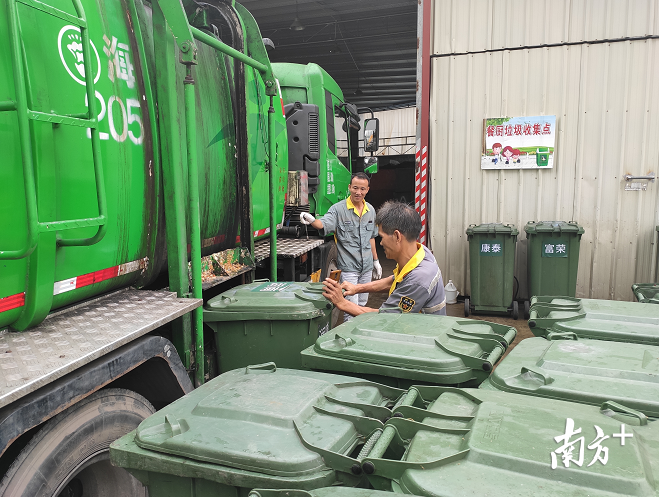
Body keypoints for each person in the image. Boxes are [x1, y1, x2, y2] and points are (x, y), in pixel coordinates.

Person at [322, 200, 446, 317]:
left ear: (397, 236)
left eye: (381, 237)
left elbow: (387, 317)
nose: (380, 243)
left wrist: (342, 303)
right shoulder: (420, 252)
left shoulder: (419, 279)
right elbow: (395, 281)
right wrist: (357, 288)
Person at [300, 172, 382, 321]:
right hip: (349, 268)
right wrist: (312, 220)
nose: (358, 192)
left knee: (362, 304)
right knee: (351, 306)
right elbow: (324, 223)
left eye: (362, 189)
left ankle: (358, 334)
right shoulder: (338, 210)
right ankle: (349, 338)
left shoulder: (370, 211)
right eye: (355, 188)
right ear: (349, 187)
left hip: (367, 267)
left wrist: (376, 261)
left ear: (367, 190)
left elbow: (371, 238)